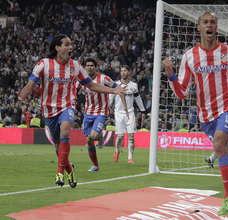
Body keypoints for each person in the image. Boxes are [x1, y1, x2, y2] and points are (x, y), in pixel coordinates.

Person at [162, 12, 228, 217]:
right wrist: (170, 73)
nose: (209, 25)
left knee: (218, 146)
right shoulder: (189, 56)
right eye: (205, 22)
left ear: (216, 27)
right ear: (199, 28)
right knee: (227, 153)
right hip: (205, 115)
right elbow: (182, 93)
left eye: (213, 22)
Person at [19, 34, 127, 188]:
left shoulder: (75, 66)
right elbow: (30, 86)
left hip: (67, 106)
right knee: (58, 144)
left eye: (71, 45)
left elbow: (91, 85)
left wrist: (114, 90)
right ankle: (69, 169)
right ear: (57, 47)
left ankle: (59, 172)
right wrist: (21, 97)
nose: (70, 47)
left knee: (65, 132)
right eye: (66, 44)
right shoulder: (44, 64)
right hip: (48, 109)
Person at [77, 57, 125, 172]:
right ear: (85, 68)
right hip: (88, 113)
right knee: (88, 139)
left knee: (93, 136)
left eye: (92, 65)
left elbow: (116, 87)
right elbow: (74, 89)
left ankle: (100, 136)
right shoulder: (82, 80)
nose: (89, 67)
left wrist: (122, 94)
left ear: (96, 67)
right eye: (87, 65)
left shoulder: (104, 79)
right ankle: (95, 165)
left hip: (102, 112)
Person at [109, 65, 146, 164]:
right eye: (122, 71)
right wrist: (107, 110)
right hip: (118, 113)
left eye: (125, 71)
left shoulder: (133, 85)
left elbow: (138, 98)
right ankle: (117, 150)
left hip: (130, 112)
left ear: (129, 72)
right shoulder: (116, 85)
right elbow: (110, 98)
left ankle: (130, 157)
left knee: (131, 136)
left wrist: (143, 111)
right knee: (120, 136)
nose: (123, 73)